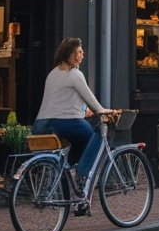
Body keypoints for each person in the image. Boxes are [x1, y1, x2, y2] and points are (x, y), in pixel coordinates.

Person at [31, 37, 112, 198]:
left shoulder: (52, 74)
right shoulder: (75, 74)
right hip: (65, 123)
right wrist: (105, 111)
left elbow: (62, 101)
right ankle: (81, 175)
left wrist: (83, 111)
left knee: (77, 143)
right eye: (80, 52)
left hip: (41, 125)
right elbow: (94, 103)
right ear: (71, 54)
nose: (82, 55)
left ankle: (67, 169)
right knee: (95, 137)